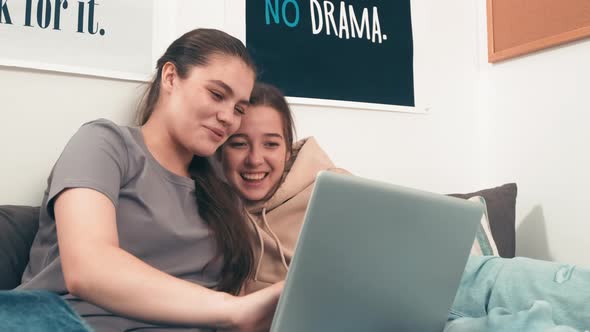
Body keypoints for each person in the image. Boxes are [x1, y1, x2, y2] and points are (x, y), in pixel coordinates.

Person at [218, 83, 590, 331]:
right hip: (383, 318)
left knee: (569, 289)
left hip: (457, 274)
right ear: (220, 147)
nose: (256, 160)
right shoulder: (217, 219)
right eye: (239, 144)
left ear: (288, 147)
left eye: (270, 144)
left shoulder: (330, 181)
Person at [9, 29, 283, 332]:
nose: (227, 117)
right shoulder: (105, 143)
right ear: (170, 77)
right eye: (217, 95)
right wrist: (232, 309)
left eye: (239, 109)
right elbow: (88, 268)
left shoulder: (220, 190)